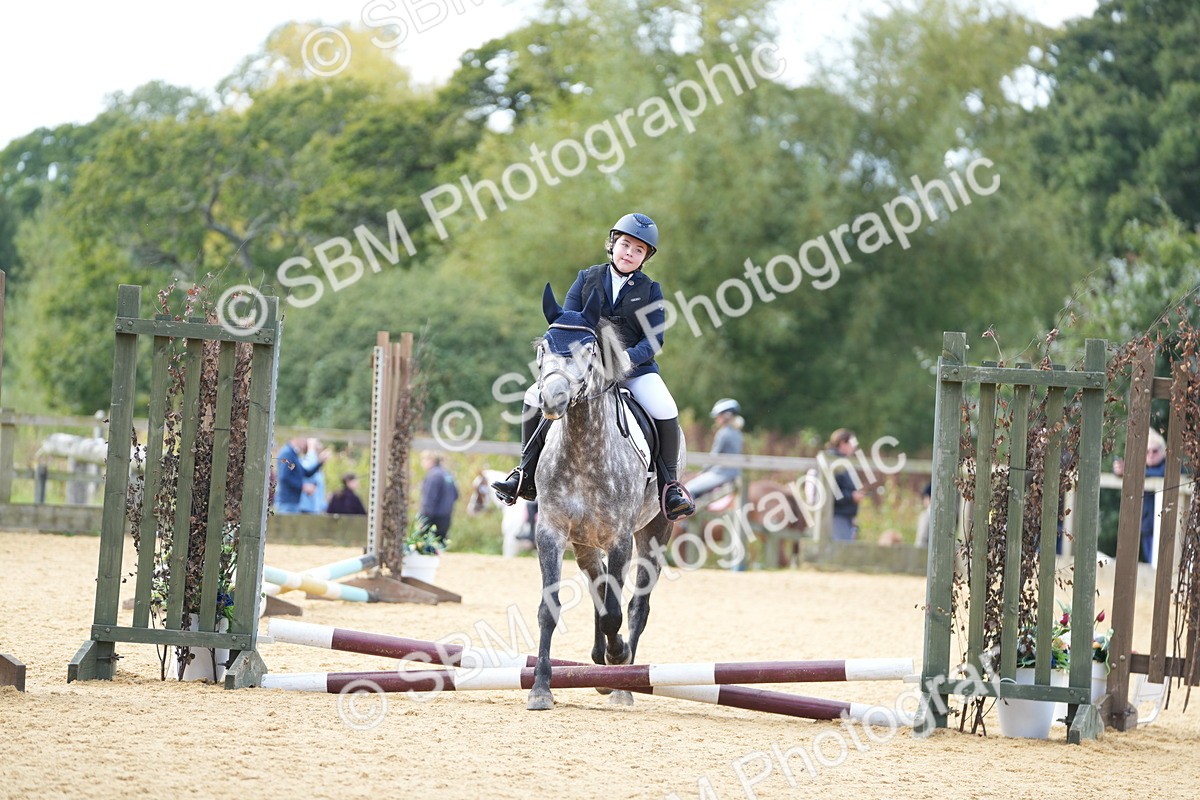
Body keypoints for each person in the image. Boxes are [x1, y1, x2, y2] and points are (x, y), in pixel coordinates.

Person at [491, 212, 695, 520]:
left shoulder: (650, 290)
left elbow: (654, 340)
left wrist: (626, 359)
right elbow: (566, 322)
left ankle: (670, 488)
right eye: (625, 244)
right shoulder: (587, 278)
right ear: (613, 244)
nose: (630, 253)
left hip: (634, 371)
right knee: (535, 395)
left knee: (666, 408)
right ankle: (526, 473)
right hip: (585, 372)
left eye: (638, 250)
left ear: (645, 257)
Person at [1113, 429, 1168, 563]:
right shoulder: (1142, 469)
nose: (1150, 455)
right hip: (1147, 526)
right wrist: (1121, 471)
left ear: (1163, 451)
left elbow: (1161, 473)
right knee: (1151, 563)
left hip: (1166, 527)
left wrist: (1131, 471)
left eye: (1155, 451)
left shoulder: (1169, 466)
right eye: (1147, 451)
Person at [684, 398, 744, 504]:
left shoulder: (722, 433)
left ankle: (685, 519)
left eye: (718, 416)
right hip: (734, 473)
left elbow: (713, 458)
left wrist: (702, 472)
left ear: (726, 416)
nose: (716, 419)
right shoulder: (737, 433)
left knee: (688, 489)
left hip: (721, 474)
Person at [824, 428, 866, 541]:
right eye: (852, 443)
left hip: (844, 516)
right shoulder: (834, 462)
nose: (855, 447)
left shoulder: (842, 462)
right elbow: (831, 492)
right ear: (842, 443)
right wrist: (851, 496)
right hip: (837, 516)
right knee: (841, 554)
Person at [275, 437, 330, 514]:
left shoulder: (293, 454)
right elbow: (284, 477)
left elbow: (305, 473)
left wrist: (320, 462)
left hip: (293, 502)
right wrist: (303, 486)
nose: (305, 444)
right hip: (287, 502)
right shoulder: (287, 453)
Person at [420, 451, 459, 545]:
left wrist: (423, 518)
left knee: (427, 546)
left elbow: (429, 498)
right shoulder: (447, 474)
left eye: (423, 459)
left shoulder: (433, 475)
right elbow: (456, 494)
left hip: (433, 517)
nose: (422, 462)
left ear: (431, 460)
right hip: (446, 515)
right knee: (441, 544)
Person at [297, 437, 327, 514]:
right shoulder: (305, 462)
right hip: (306, 508)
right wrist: (311, 448)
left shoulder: (317, 467)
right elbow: (308, 468)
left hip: (315, 508)